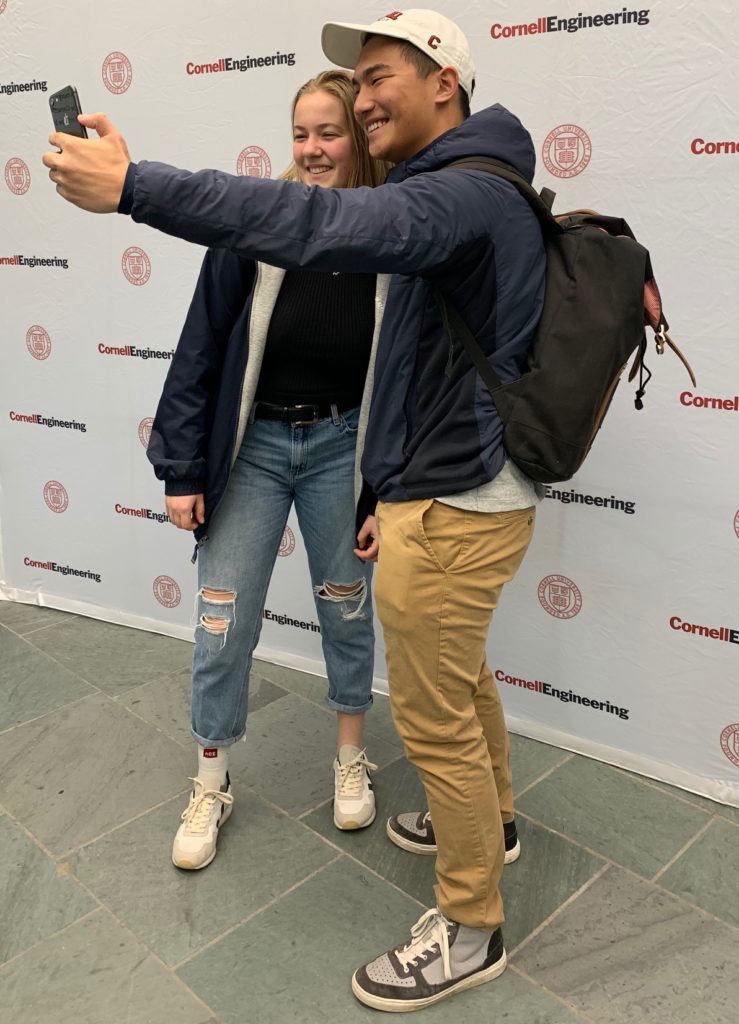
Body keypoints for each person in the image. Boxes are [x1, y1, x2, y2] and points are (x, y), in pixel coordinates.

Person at [44, 9, 546, 1012]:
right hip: (436, 483)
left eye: (377, 77)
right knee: (462, 678)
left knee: (435, 717)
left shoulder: (454, 192)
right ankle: (489, 823)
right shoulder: (482, 181)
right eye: (348, 88)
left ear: (443, 81)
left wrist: (137, 187)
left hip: (451, 500)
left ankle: (470, 924)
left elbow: (321, 225)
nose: (359, 104)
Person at [148, 70, 391, 871]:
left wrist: (382, 489)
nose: (313, 149)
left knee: (346, 610)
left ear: (357, 137)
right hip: (249, 452)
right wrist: (182, 469)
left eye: (330, 132)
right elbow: (199, 349)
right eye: (301, 133)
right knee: (221, 621)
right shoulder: (256, 225)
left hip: (341, 449)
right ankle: (209, 779)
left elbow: (411, 379)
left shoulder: (393, 232)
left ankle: (350, 758)